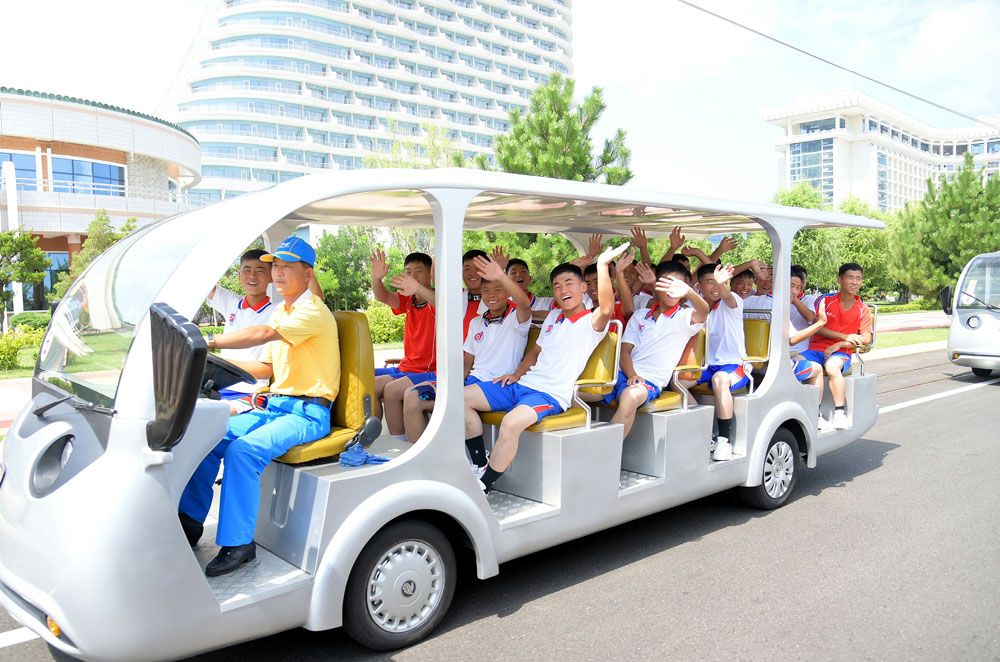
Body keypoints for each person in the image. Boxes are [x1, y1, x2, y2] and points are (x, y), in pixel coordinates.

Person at [178, 237, 340, 577]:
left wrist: (207, 341)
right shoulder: (284, 310)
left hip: (308, 412)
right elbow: (266, 369)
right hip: (277, 406)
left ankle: (239, 544)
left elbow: (263, 333)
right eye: (276, 267)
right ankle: (189, 522)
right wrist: (209, 367)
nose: (278, 274)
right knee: (210, 435)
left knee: (243, 452)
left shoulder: (312, 311)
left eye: (287, 267)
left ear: (307, 274)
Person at [463, 243, 629, 492]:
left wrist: (603, 266)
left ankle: (483, 486)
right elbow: (534, 352)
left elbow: (607, 308)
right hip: (521, 385)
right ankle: (480, 462)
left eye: (570, 284)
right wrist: (515, 374)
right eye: (557, 286)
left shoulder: (592, 322)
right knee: (458, 398)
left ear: (583, 288)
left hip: (549, 394)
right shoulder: (553, 317)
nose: (563, 290)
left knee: (511, 422)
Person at [402, 255, 532, 442]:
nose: (492, 295)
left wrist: (501, 275)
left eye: (498, 290)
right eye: (486, 291)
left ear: (507, 293)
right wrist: (447, 383)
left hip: (496, 385)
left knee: (457, 399)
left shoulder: (517, 319)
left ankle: (478, 462)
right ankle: (421, 458)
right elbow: (466, 364)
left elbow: (525, 303)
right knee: (413, 395)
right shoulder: (477, 322)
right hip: (473, 381)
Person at [583, 260, 708, 437]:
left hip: (650, 381)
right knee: (572, 393)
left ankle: (606, 455)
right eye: (667, 283)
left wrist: (689, 291)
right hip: (622, 374)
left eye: (678, 285)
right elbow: (625, 351)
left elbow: (703, 311)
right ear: (657, 285)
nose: (672, 289)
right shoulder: (641, 315)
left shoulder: (685, 317)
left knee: (629, 397)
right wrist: (632, 374)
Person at [370, 249, 437, 438]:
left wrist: (417, 288)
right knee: (364, 381)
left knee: (391, 391)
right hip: (406, 368)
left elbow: (444, 305)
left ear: (431, 274)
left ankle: (398, 445)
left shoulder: (438, 298)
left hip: (429, 371)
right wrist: (376, 278)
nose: (412, 276)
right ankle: (370, 440)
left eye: (418, 271)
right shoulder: (408, 301)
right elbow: (382, 296)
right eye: (408, 272)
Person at [684, 262, 747, 462]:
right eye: (709, 283)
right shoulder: (699, 309)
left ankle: (724, 440)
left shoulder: (732, 301)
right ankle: (705, 433)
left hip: (735, 366)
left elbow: (726, 295)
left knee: (720, 379)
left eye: (717, 282)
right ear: (699, 286)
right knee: (677, 381)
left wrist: (722, 284)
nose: (714, 287)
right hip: (708, 366)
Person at [799, 263, 872, 430]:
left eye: (858, 278)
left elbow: (866, 338)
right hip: (816, 349)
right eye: (850, 278)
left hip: (841, 353)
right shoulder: (825, 301)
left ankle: (839, 413)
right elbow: (818, 326)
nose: (854, 282)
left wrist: (840, 343)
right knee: (797, 364)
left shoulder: (863, 309)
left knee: (832, 366)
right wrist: (844, 336)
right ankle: (813, 414)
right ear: (840, 279)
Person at [206, 249, 274, 363]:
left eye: (260, 271)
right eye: (247, 270)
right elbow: (203, 283)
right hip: (223, 376)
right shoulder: (232, 302)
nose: (252, 276)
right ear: (239, 275)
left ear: (271, 276)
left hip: (256, 379)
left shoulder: (277, 311)